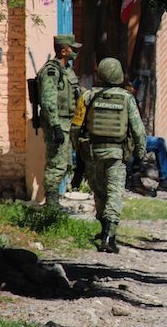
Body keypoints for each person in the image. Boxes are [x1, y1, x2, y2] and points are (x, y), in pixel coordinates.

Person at [70, 57, 147, 253]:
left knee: (99, 192)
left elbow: (76, 126)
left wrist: (77, 149)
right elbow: (138, 129)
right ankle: (110, 235)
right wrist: (140, 152)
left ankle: (103, 228)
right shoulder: (126, 98)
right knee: (114, 193)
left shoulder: (87, 96)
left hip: (93, 152)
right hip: (116, 153)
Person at [38, 34, 82, 207]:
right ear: (64, 51)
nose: (76, 52)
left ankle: (55, 202)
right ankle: (51, 206)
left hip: (68, 123)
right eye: (73, 48)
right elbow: (48, 101)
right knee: (56, 165)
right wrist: (55, 126)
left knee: (65, 164)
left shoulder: (67, 69)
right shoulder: (51, 71)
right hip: (58, 124)